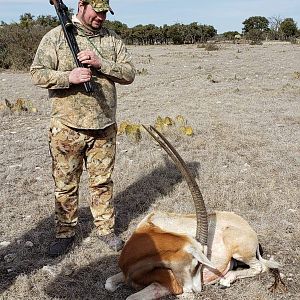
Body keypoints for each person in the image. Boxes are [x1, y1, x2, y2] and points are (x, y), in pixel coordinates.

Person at [30, 0, 135, 257]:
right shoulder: (56, 37)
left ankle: (105, 230)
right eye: (96, 10)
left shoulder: (111, 39)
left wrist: (102, 64)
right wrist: (69, 77)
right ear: (81, 5)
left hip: (104, 126)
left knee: (102, 183)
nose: (100, 16)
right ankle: (65, 232)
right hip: (67, 128)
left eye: (104, 12)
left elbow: (129, 73)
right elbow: (37, 73)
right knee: (65, 184)